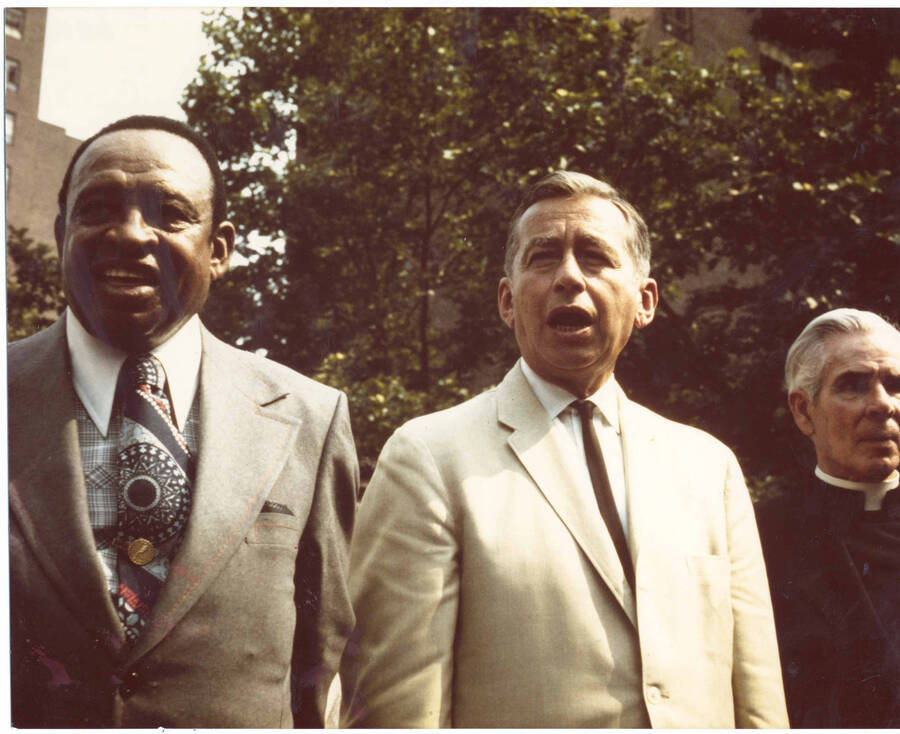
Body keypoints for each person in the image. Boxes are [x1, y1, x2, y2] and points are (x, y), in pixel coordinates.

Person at [341, 171, 787, 727]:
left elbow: (759, 700)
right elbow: (397, 710)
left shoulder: (709, 467)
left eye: (596, 258)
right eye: (544, 257)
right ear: (507, 301)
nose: (569, 277)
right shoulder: (429, 458)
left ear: (645, 301)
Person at [8, 115, 358, 728]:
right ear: (63, 231)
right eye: (98, 209)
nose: (128, 234)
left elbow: (322, 663)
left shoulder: (310, 418)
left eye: (168, 213)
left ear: (218, 249)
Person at [757, 308, 900, 727]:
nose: (881, 405)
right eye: (853, 387)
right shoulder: (760, 539)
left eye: (894, 386)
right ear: (803, 411)